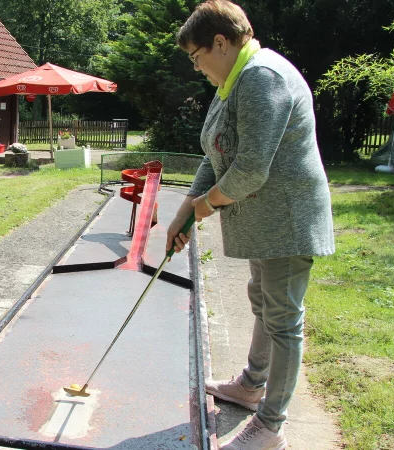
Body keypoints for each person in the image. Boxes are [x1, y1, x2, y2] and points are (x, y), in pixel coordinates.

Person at [167, 1, 335, 449]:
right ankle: (251, 384)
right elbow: (215, 153)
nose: (197, 66)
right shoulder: (234, 81)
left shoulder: (262, 78)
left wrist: (204, 207)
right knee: (263, 301)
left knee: (283, 320)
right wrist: (185, 210)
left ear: (220, 42)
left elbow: (250, 169)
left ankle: (270, 426)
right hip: (265, 217)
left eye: (196, 56)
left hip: (286, 217)